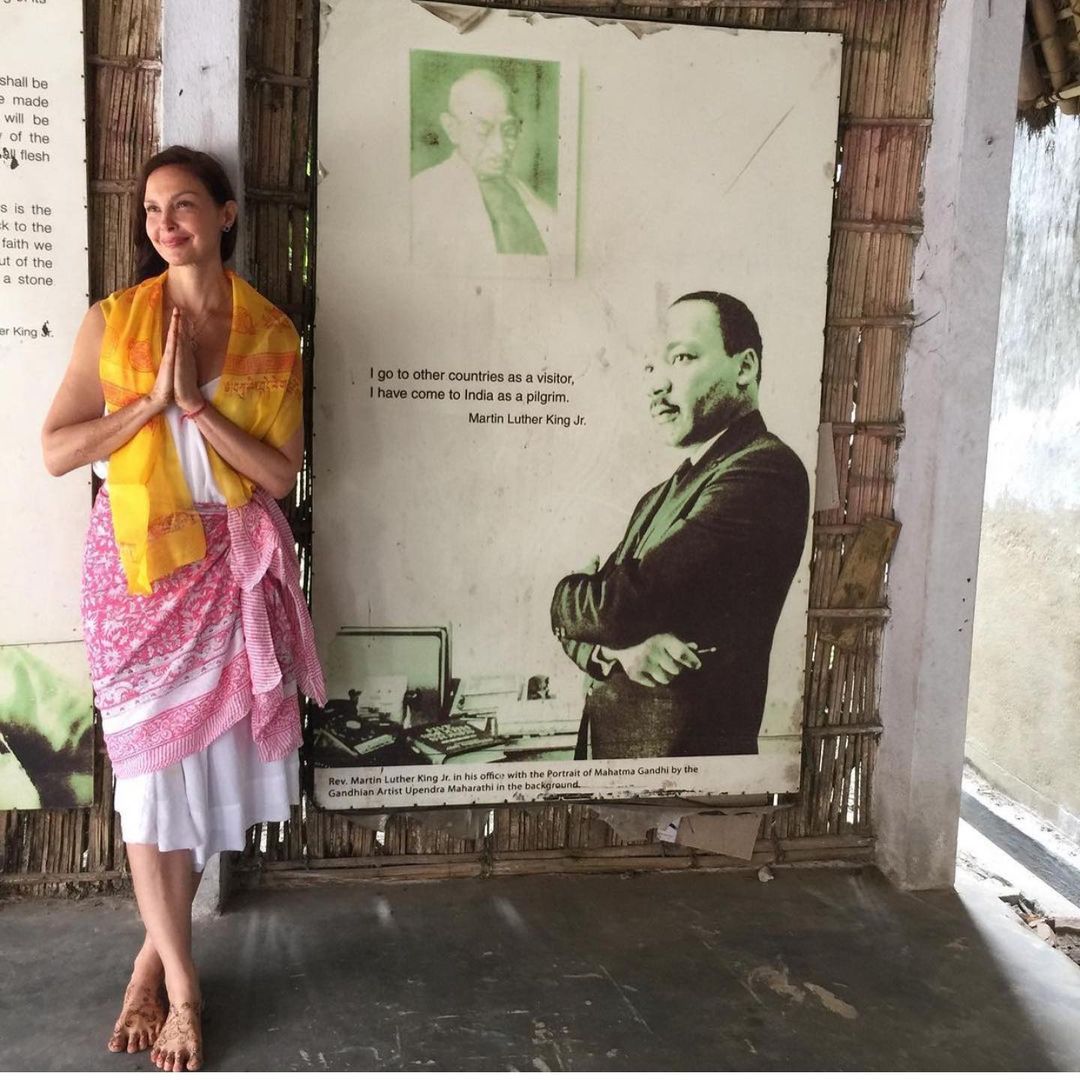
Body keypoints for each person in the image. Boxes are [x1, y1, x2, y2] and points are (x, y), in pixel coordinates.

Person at [41, 145, 325, 1071]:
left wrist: (199, 412)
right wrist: (150, 404)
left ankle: (147, 969)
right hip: (135, 575)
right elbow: (57, 450)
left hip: (224, 573)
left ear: (227, 214)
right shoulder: (114, 323)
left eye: (187, 205)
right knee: (150, 785)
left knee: (197, 781)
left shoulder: (273, 334)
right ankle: (188, 991)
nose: (168, 224)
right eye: (155, 210)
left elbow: (281, 475)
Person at [550, 292, 809, 760]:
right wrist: (619, 654)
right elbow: (594, 629)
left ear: (744, 368)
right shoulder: (657, 497)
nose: (656, 386)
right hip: (618, 773)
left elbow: (610, 611)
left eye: (682, 358)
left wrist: (568, 589)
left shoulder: (764, 470)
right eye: (649, 369)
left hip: (686, 781)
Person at [411, 67, 557, 262]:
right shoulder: (421, 194)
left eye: (508, 130)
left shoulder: (524, 194)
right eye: (483, 130)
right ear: (452, 128)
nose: (500, 148)